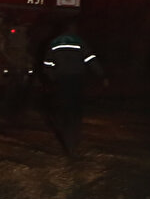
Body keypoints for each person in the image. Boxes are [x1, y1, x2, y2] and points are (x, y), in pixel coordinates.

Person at [41, 20, 106, 157]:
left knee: (63, 108)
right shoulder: (79, 41)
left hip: (61, 80)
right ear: (72, 29)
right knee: (75, 109)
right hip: (77, 79)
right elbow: (91, 60)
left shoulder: (54, 42)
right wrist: (101, 75)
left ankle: (66, 137)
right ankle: (73, 139)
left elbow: (47, 64)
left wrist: (52, 78)